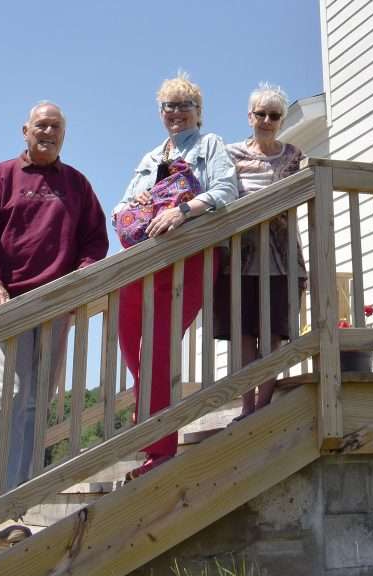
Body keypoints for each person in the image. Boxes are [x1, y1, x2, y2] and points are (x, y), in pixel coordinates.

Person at [0, 101, 109, 502]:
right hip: (6, 305)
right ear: (25, 131)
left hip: (54, 305)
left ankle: (22, 497)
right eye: (41, 126)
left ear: (64, 134)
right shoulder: (1, 177)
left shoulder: (76, 184)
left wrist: (81, 275)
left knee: (35, 402)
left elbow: (95, 240)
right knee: (7, 398)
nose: (48, 132)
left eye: (56, 127)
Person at [115, 73, 238, 480]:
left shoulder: (210, 144)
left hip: (190, 256)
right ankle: (149, 416)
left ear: (198, 112)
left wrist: (182, 210)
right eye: (169, 106)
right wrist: (136, 203)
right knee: (128, 332)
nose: (176, 113)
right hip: (148, 259)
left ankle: (160, 450)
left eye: (184, 106)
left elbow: (226, 190)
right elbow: (122, 205)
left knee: (160, 346)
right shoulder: (151, 156)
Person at [213, 83, 307, 420]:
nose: (267, 120)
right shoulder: (230, 154)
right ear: (249, 116)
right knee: (243, 336)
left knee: (272, 334)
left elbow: (301, 194)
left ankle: (263, 406)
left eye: (274, 115)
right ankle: (246, 405)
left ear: (281, 119)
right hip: (239, 259)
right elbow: (221, 193)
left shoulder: (294, 155)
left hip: (282, 260)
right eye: (261, 114)